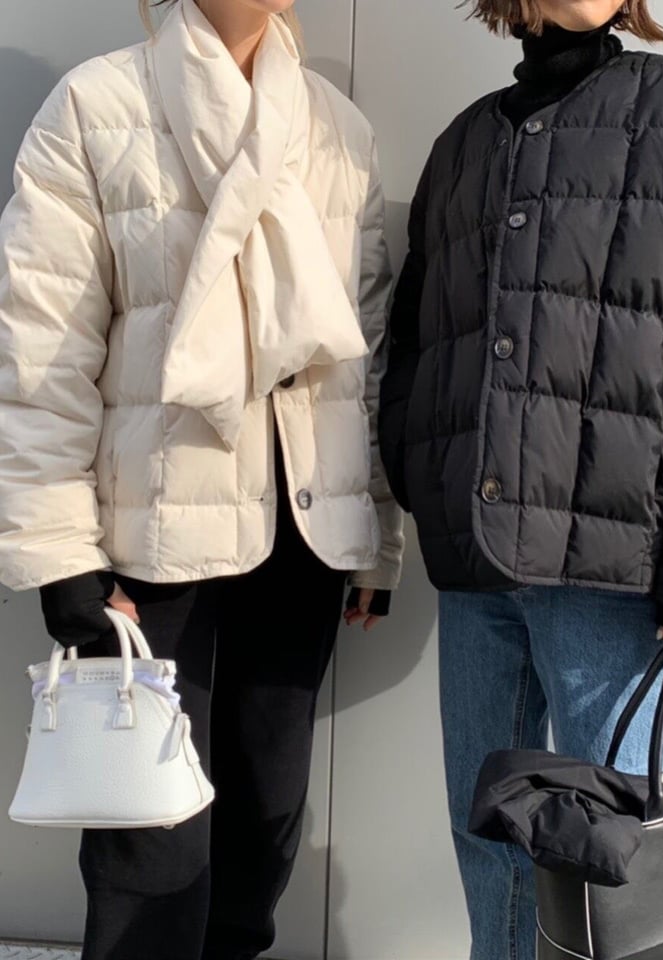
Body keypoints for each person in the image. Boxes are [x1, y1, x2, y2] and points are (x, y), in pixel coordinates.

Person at [379, 1, 663, 957]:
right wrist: (420, 475)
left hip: (618, 583)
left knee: (622, 864)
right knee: (488, 846)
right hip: (478, 572)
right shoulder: (464, 144)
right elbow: (415, 342)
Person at [0, 0, 403, 957]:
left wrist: (377, 534)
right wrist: (57, 552)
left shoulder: (336, 129)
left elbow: (366, 357)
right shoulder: (97, 105)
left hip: (303, 525)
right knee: (151, 833)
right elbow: (40, 351)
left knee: (267, 811)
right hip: (152, 532)